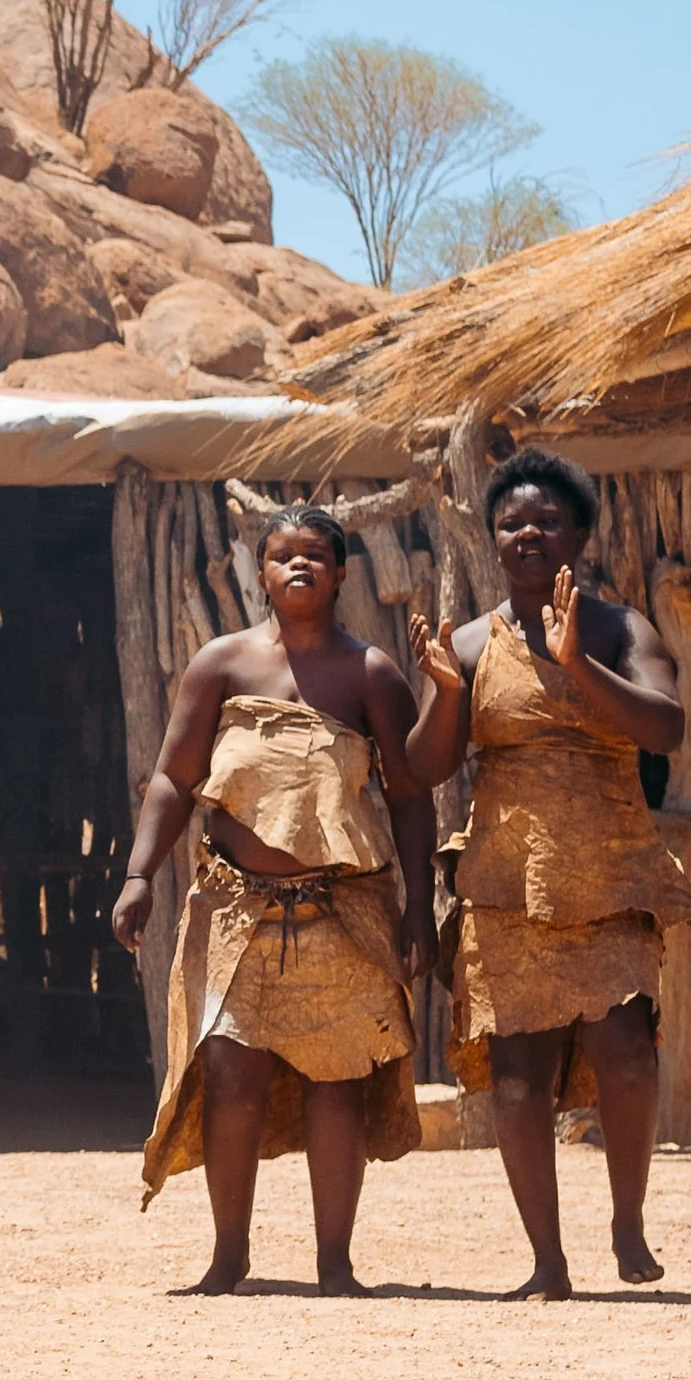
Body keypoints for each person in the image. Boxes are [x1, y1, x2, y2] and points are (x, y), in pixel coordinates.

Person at [115, 504, 432, 1295]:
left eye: (317, 554)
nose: (301, 566)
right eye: (283, 555)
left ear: (343, 572)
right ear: (259, 572)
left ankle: (335, 1263)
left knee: (337, 1080)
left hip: (343, 909)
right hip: (234, 910)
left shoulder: (372, 674)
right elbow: (174, 778)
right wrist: (139, 874)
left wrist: (421, 904)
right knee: (230, 1073)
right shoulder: (220, 665)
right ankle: (229, 1257)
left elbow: (409, 797)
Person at [406, 445, 691, 1296]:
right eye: (510, 522)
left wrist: (576, 663)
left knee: (628, 1056)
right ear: (491, 537)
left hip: (608, 868)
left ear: (579, 534)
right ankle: (547, 1260)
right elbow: (424, 767)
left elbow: (667, 729)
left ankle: (627, 1223)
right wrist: (449, 694)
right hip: (506, 877)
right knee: (520, 1077)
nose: (527, 533)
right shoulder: (468, 641)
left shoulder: (620, 629)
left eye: (546, 520)